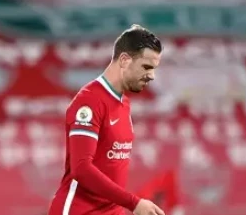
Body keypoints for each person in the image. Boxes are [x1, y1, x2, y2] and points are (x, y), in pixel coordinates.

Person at [47, 24, 165, 215]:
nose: (151, 76)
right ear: (124, 60)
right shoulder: (90, 101)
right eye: (146, 67)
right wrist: (133, 203)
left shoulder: (124, 103)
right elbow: (81, 168)